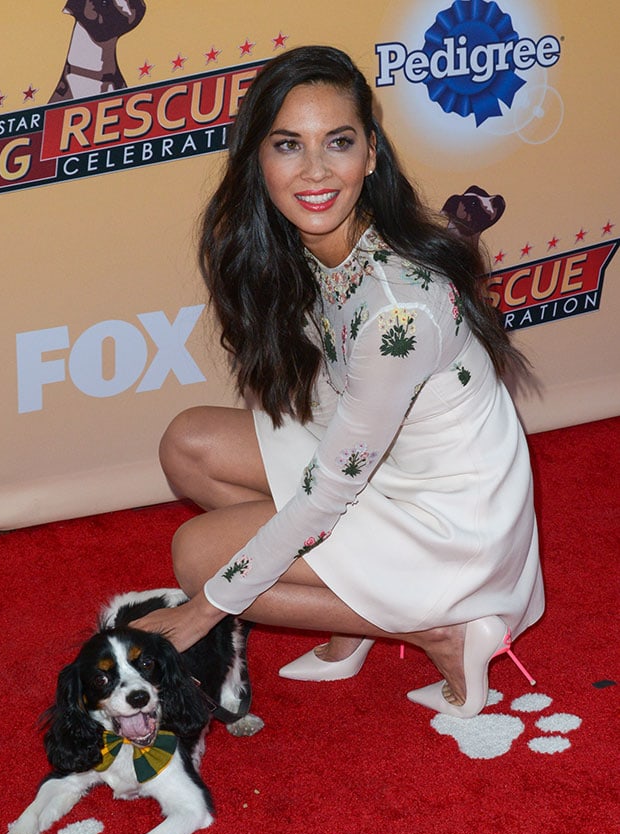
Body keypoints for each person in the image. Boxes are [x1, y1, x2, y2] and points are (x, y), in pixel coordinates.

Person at [131, 45, 544, 718]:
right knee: (190, 445)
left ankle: (439, 630)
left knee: (198, 558)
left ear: (373, 154)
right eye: (289, 145)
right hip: (384, 471)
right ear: (257, 159)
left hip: (447, 522)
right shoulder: (311, 243)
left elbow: (327, 493)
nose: (316, 172)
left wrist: (203, 612)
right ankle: (356, 616)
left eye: (339, 143)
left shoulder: (398, 309)